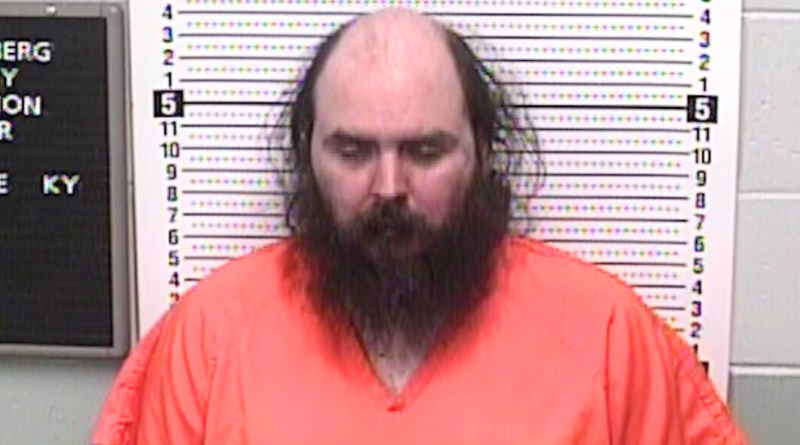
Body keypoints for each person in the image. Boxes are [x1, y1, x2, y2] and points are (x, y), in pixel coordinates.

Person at [93, 8, 748, 445]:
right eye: (353, 150)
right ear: (308, 152)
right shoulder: (209, 341)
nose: (389, 187)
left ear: (481, 151)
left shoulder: (606, 340)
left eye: (425, 151)